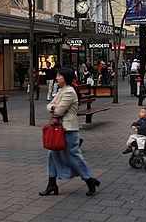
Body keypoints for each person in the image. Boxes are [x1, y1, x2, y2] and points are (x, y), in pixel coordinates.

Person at [39, 67, 100, 197]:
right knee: (52, 155)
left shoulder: (69, 92)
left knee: (73, 156)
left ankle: (89, 180)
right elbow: (49, 105)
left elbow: (58, 111)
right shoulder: (62, 91)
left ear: (65, 78)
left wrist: (53, 107)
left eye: (59, 76)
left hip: (69, 130)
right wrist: (52, 107)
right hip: (59, 129)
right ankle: (52, 184)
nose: (56, 78)